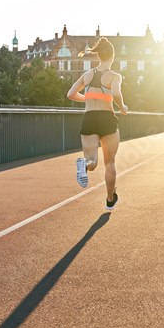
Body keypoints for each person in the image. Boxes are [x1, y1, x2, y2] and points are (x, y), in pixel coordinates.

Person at [67, 37, 128, 210]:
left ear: (99, 56)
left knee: (92, 161)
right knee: (110, 162)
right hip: (107, 118)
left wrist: (88, 97)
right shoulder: (114, 76)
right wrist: (122, 107)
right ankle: (110, 200)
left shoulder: (87, 75)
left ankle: (84, 166)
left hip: (89, 117)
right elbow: (115, 92)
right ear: (112, 57)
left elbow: (70, 94)